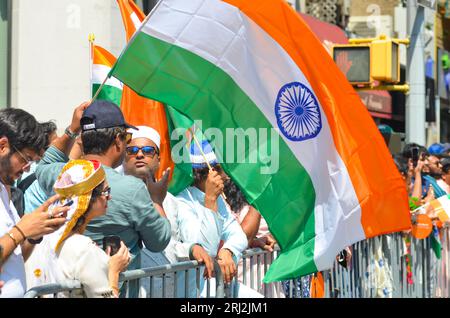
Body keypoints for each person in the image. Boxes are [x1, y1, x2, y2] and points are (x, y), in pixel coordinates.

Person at [35, 101, 171, 297]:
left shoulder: (63, 174)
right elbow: (158, 241)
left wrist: (71, 130)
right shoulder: (131, 188)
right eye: (127, 138)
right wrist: (157, 200)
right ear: (118, 140)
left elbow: (45, 165)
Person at [122, 126, 213, 297]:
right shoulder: (110, 195)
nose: (139, 155)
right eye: (132, 150)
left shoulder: (172, 201)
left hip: (166, 289)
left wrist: (192, 249)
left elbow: (169, 245)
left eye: (148, 151)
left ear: (158, 159)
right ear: (123, 158)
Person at [26, 160, 130, 297]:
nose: (109, 197)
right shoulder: (83, 248)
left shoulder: (38, 236)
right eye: (106, 191)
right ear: (87, 198)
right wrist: (114, 272)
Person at [176, 140, 260, 297]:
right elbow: (206, 250)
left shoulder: (219, 200)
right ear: (211, 171)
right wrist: (210, 201)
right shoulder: (182, 201)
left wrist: (228, 251)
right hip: (190, 292)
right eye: (223, 170)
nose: (227, 177)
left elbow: (238, 235)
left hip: (211, 287)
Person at [0, 108, 68, 298]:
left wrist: (34, 233)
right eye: (26, 159)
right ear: (3, 146)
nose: (27, 168)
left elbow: (14, 257)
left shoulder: (5, 191)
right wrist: (21, 230)